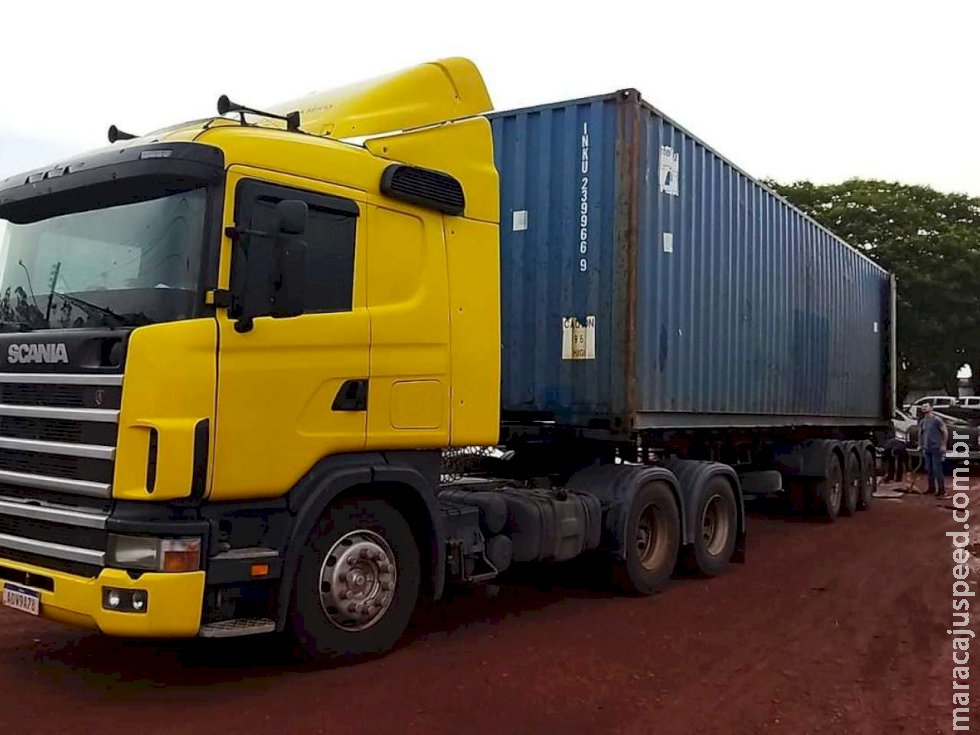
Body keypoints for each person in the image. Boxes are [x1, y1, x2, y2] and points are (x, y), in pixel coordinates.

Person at [917, 401, 948, 497]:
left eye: (926, 406)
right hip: (927, 448)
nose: (924, 408)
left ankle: (942, 490)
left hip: (936, 448)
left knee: (937, 469)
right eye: (923, 407)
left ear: (931, 408)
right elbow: (920, 433)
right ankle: (931, 488)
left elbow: (945, 432)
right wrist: (920, 445)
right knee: (929, 469)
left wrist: (943, 445)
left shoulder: (937, 420)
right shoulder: (922, 421)